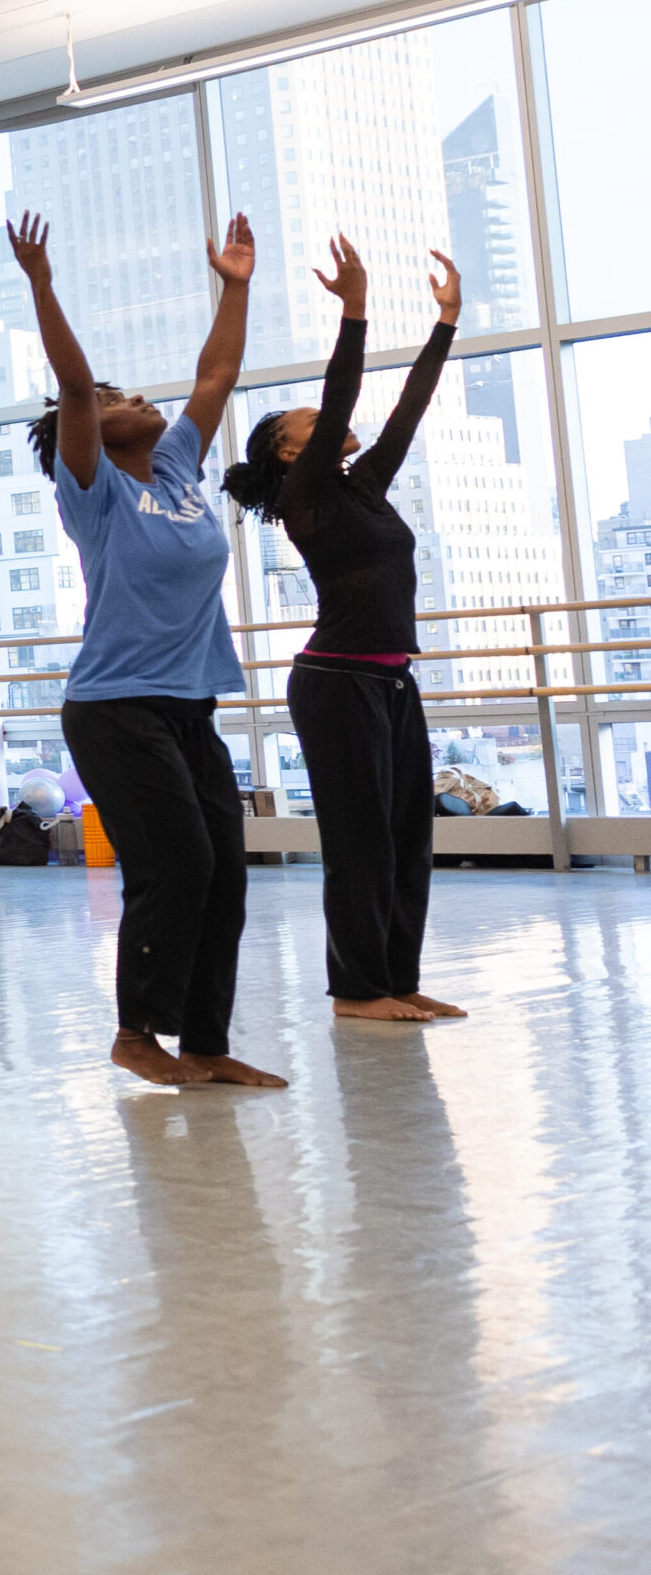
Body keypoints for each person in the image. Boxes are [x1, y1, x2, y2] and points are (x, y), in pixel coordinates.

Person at [11, 207, 285, 1092]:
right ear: (83, 429)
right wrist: (43, 288)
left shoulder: (172, 471)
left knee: (226, 875)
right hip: (113, 710)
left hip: (187, 703)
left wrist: (234, 286)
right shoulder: (88, 488)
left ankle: (204, 1042)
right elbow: (73, 378)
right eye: (115, 399)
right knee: (177, 866)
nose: (137, 398)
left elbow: (217, 372)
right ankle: (135, 1033)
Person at [222, 237, 467, 1024]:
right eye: (307, 421)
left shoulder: (361, 488)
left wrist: (445, 325)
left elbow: (408, 408)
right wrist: (353, 311)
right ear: (290, 451)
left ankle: (396, 977)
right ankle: (356, 991)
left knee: (406, 838)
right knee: (360, 841)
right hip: (336, 683)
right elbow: (342, 394)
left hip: (391, 677)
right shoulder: (305, 496)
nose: (326, 421)